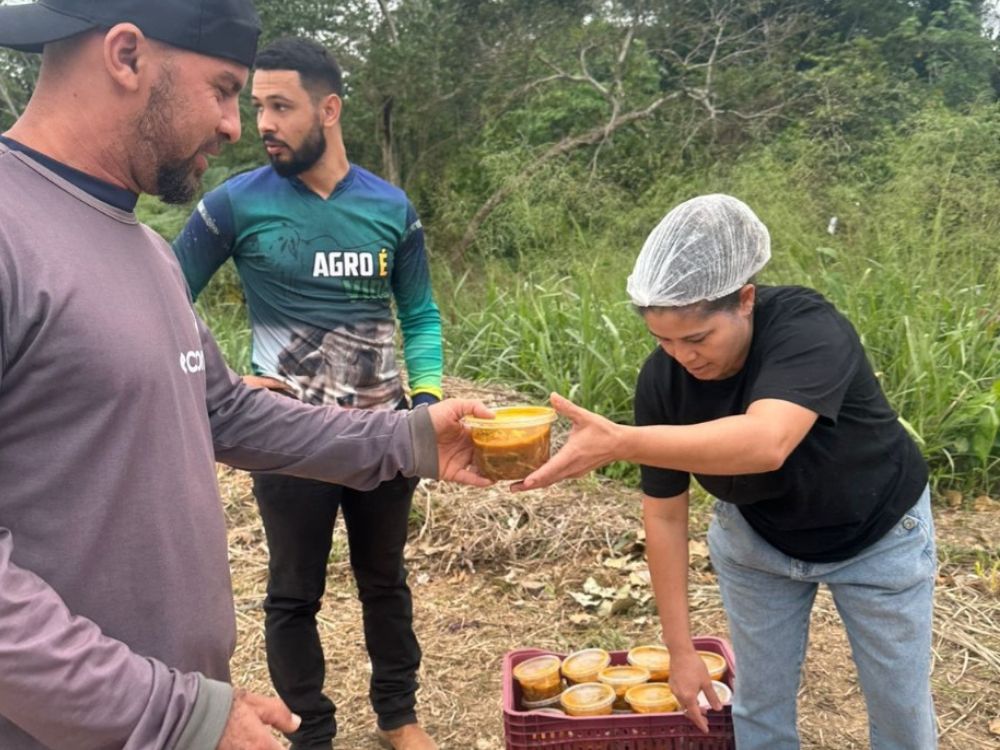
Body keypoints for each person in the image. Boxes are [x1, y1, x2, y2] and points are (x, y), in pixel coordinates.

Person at [0, 3, 492, 749]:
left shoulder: (143, 251)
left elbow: (226, 412)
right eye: (226, 89)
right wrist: (172, 716)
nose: (236, 126)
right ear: (126, 56)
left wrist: (411, 438)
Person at [515, 194, 937, 750]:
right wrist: (681, 651)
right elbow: (665, 518)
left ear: (744, 299)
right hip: (758, 542)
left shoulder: (808, 328)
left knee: (900, 711)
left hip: (877, 536)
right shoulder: (661, 380)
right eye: (662, 340)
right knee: (757, 709)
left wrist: (621, 443)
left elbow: (767, 442)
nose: (681, 356)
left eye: (696, 338)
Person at [172, 37, 443, 750]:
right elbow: (161, 297)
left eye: (280, 107)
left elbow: (417, 314)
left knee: (385, 581)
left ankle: (399, 717)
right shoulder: (233, 204)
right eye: (257, 105)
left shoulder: (389, 207)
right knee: (294, 593)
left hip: (383, 436)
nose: (262, 121)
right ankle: (309, 732)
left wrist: (425, 399)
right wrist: (227, 382)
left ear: (329, 109)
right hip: (285, 441)